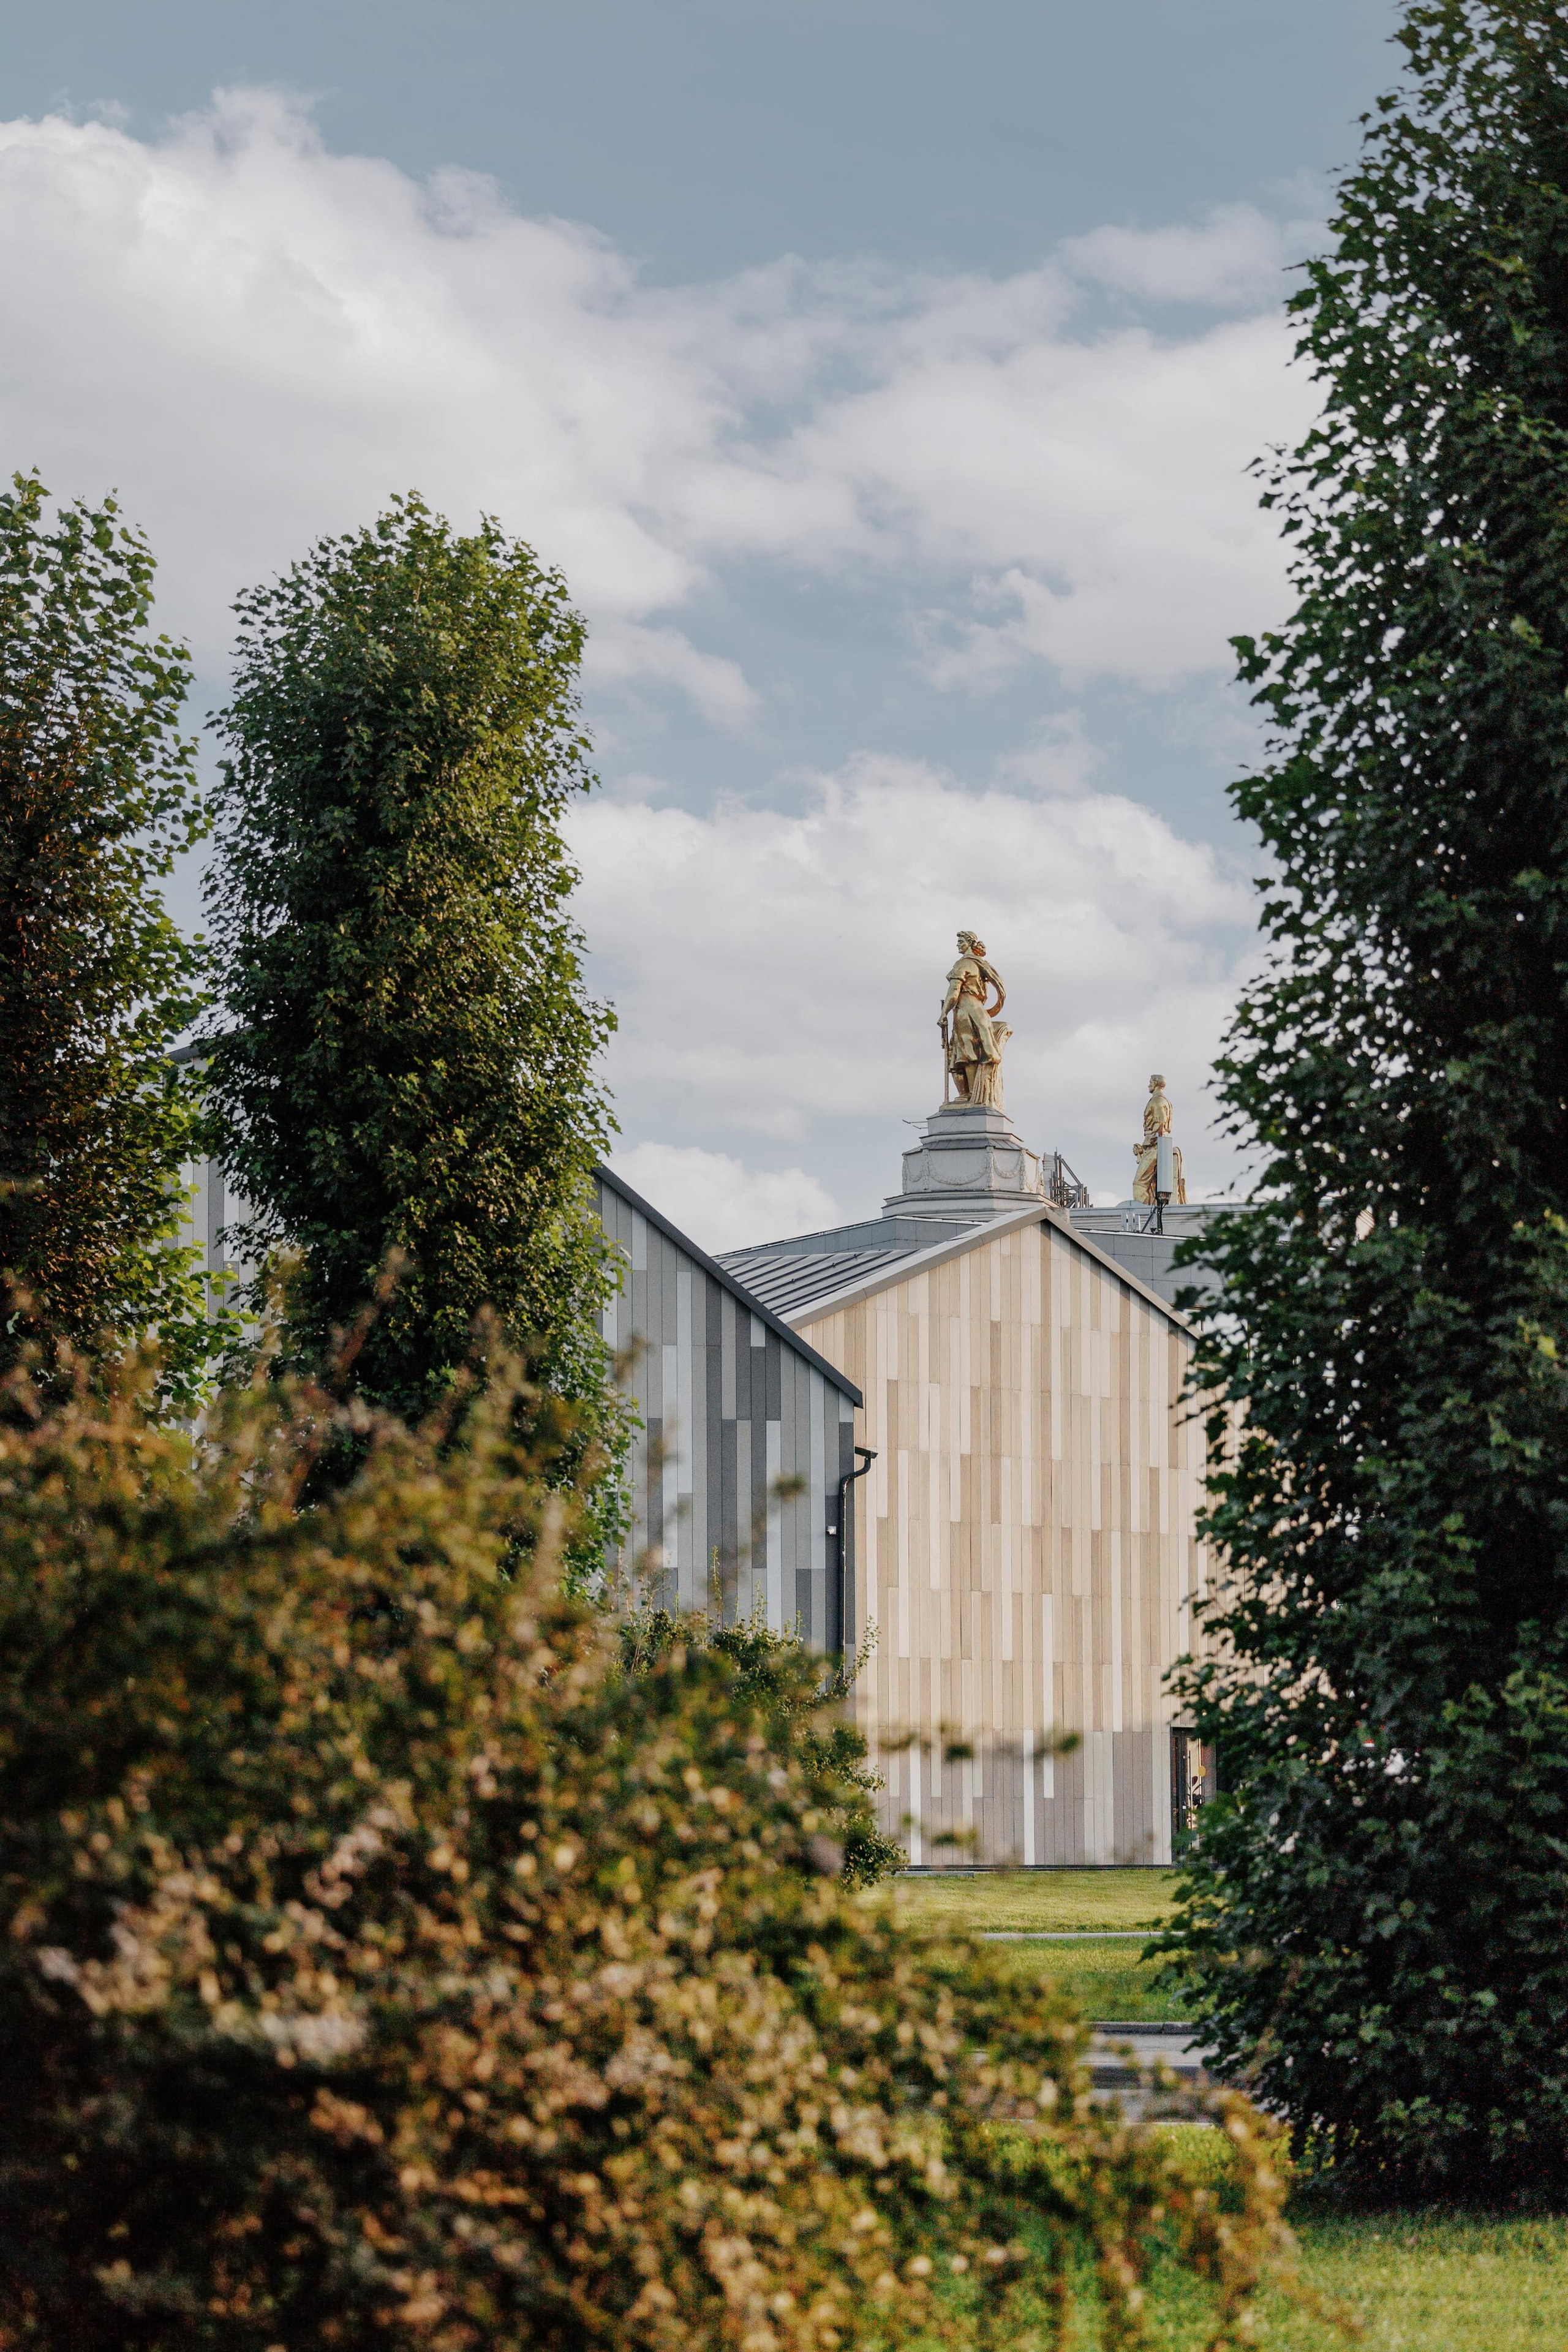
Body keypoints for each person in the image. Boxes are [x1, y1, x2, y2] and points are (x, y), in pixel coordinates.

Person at [941, 930, 1008, 1107]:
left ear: (969, 943)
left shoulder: (963, 964)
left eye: (961, 941)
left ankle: (969, 1095)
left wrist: (944, 1013)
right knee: (967, 1049)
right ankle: (968, 1095)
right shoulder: (979, 964)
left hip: (965, 1008)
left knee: (965, 1050)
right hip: (977, 1009)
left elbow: (954, 991)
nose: (958, 944)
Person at [1132, 1073, 1187, 1205]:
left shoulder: (1158, 1101)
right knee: (1152, 1185)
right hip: (1157, 1146)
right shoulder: (1163, 1100)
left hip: (1156, 1147)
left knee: (1139, 1184)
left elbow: (1160, 1125)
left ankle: (1143, 1215)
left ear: (1156, 1083)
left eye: (1151, 1082)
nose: (1149, 1085)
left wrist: (1149, 1142)